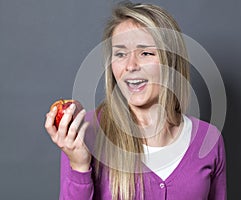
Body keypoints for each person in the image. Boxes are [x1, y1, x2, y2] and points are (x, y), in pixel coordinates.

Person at [45, 2, 226, 200]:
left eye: (146, 53)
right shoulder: (85, 135)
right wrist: (79, 166)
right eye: (120, 54)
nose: (131, 65)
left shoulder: (208, 139)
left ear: (171, 61)